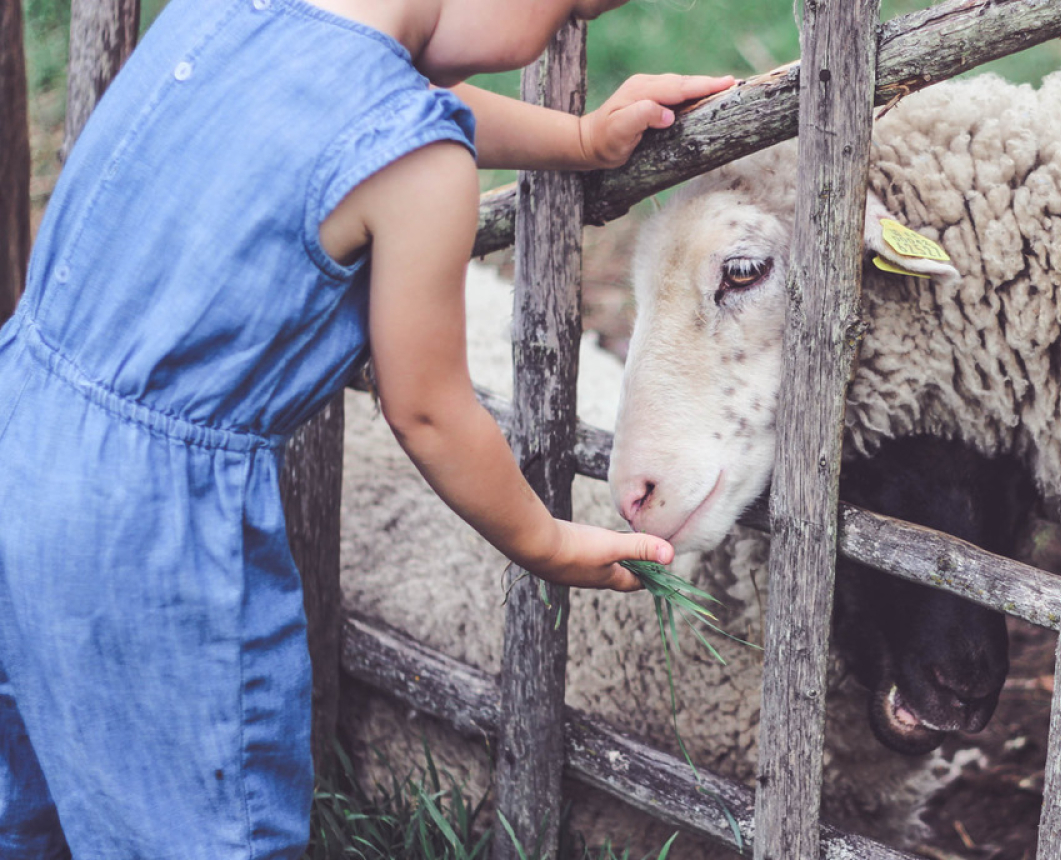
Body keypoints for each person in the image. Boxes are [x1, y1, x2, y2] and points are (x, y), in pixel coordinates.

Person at [0, 0, 733, 856]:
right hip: (155, 538)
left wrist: (574, 141)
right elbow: (427, 411)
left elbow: (385, 99)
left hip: (24, 430)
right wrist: (545, 541)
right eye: (569, 10)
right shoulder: (420, 164)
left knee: (37, 787)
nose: (553, 37)